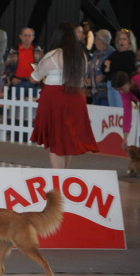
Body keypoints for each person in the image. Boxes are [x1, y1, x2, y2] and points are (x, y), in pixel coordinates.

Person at [29, 22, 98, 169]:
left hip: (55, 98)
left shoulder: (52, 56)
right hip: (76, 97)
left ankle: (58, 178)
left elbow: (34, 78)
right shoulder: (82, 55)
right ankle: (64, 174)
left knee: (56, 138)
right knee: (69, 137)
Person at [5, 27, 43, 98]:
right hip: (18, 83)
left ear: (33, 37)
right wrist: (12, 78)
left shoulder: (38, 50)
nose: (27, 38)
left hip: (33, 84)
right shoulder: (14, 50)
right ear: (20, 37)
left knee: (32, 108)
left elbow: (43, 67)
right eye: (25, 35)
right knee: (16, 108)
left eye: (29, 35)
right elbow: (7, 67)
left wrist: (38, 78)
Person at [103, 28, 137, 107]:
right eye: (120, 39)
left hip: (121, 85)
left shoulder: (130, 54)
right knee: (112, 109)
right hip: (111, 84)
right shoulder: (115, 53)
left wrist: (110, 66)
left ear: (129, 41)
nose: (121, 41)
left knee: (120, 108)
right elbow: (103, 66)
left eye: (124, 39)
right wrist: (110, 66)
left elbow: (126, 69)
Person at [111, 71, 140, 157]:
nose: (121, 92)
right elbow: (127, 114)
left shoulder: (139, 79)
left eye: (121, 88)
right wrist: (125, 138)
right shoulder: (125, 93)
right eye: (118, 90)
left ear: (128, 82)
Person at [86, 29, 115, 106]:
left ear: (102, 41)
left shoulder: (112, 53)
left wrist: (102, 77)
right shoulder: (96, 53)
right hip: (95, 92)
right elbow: (91, 67)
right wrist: (87, 77)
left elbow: (112, 70)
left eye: (96, 39)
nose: (94, 42)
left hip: (106, 92)